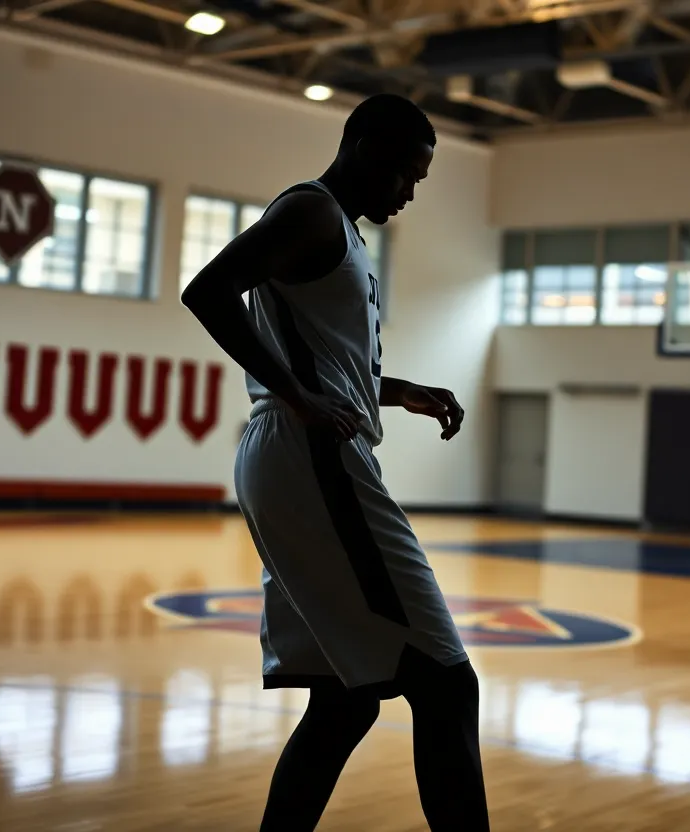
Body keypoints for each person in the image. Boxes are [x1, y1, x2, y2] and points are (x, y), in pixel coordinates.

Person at [181, 94, 490, 831]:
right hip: (310, 457)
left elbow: (326, 363)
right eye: (406, 175)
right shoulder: (312, 212)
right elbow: (208, 290)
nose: (410, 193)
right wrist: (296, 397)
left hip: (300, 453)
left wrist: (398, 388)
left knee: (346, 698)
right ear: (363, 149)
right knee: (448, 687)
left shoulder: (340, 236)